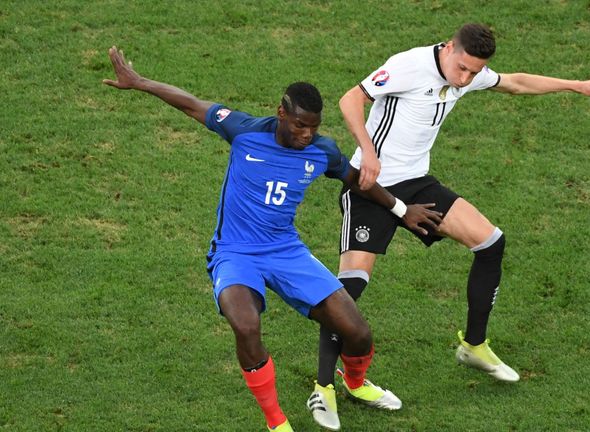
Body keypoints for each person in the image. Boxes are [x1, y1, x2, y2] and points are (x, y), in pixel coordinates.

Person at [103, 46, 443, 432]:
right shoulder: (244, 131)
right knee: (246, 326)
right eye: (300, 125)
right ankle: (277, 422)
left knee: (358, 332)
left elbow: (358, 183)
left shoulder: (322, 151)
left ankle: (355, 384)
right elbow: (191, 104)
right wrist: (140, 82)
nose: (306, 134)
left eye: (313, 127)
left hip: (286, 251)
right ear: (282, 113)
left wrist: (401, 210)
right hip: (235, 253)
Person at [309, 22, 590, 429]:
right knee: (350, 290)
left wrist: (576, 85)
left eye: (473, 72)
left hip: (418, 183)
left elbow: (516, 83)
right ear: (449, 48)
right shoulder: (409, 65)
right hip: (370, 186)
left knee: (490, 242)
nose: (465, 78)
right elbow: (351, 100)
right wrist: (367, 151)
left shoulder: (466, 71)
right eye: (463, 68)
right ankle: (324, 388)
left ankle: (473, 345)